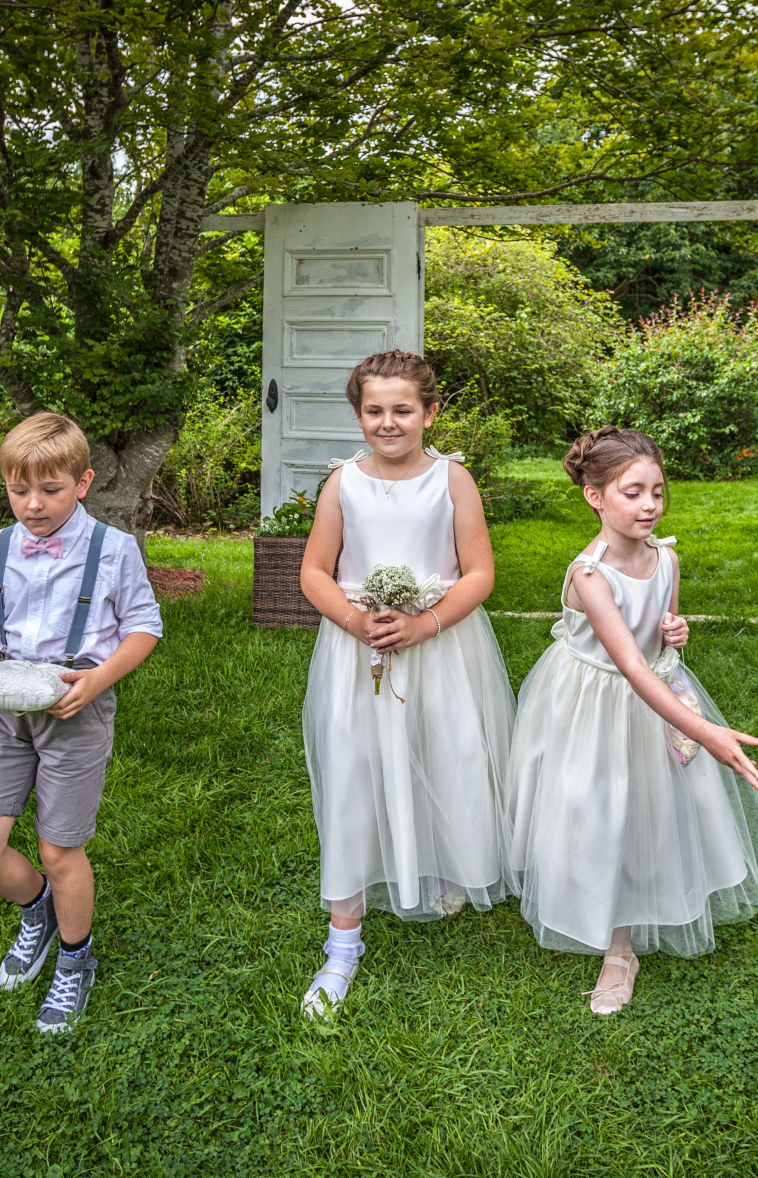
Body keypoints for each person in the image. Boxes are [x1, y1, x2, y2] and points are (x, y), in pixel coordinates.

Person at [505, 426, 758, 1014]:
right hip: (597, 703)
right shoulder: (590, 575)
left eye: (657, 492)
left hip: (659, 693)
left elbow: (659, 640)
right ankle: (616, 945)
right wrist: (707, 732)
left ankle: (639, 916)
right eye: (632, 493)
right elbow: (631, 668)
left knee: (653, 806)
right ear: (595, 497)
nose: (650, 505)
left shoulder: (666, 558)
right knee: (600, 807)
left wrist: (676, 633)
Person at [296, 350, 516, 1017]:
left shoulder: (452, 479)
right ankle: (343, 941)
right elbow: (315, 571)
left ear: (430, 412)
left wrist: (426, 624)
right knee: (353, 771)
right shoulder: (343, 484)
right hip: (358, 651)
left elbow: (479, 572)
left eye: (402, 410)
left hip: (440, 647)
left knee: (447, 754)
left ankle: (445, 863)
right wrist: (356, 621)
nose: (388, 423)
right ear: (358, 414)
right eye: (374, 411)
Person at [0, 412, 162, 1033]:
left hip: (77, 707)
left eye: (50, 490)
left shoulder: (113, 550)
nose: (33, 505)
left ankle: (75, 956)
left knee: (59, 848)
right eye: (19, 491)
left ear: (83, 482)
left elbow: (144, 627)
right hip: (7, 709)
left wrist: (96, 680)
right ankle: (37, 905)